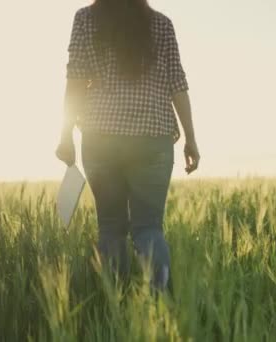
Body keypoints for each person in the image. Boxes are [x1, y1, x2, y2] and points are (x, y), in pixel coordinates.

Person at [55, 0, 199, 291]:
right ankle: (162, 306)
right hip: (153, 138)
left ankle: (114, 306)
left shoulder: (85, 19)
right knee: (148, 228)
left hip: (100, 136)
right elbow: (177, 85)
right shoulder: (161, 24)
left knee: (110, 228)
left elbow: (75, 79)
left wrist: (65, 133)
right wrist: (191, 139)